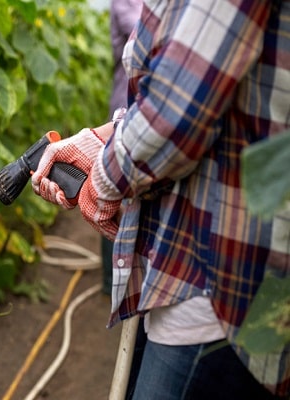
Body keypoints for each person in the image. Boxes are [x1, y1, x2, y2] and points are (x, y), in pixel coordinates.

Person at [31, 1, 290, 398]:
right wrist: (105, 136)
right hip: (209, 250)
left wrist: (103, 182)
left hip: (219, 274)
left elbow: (179, 108)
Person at [102, 0, 143, 295]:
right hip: (124, 108)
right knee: (112, 192)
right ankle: (109, 281)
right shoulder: (124, 3)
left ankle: (131, 277)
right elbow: (145, 34)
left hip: (146, 115)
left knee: (136, 195)